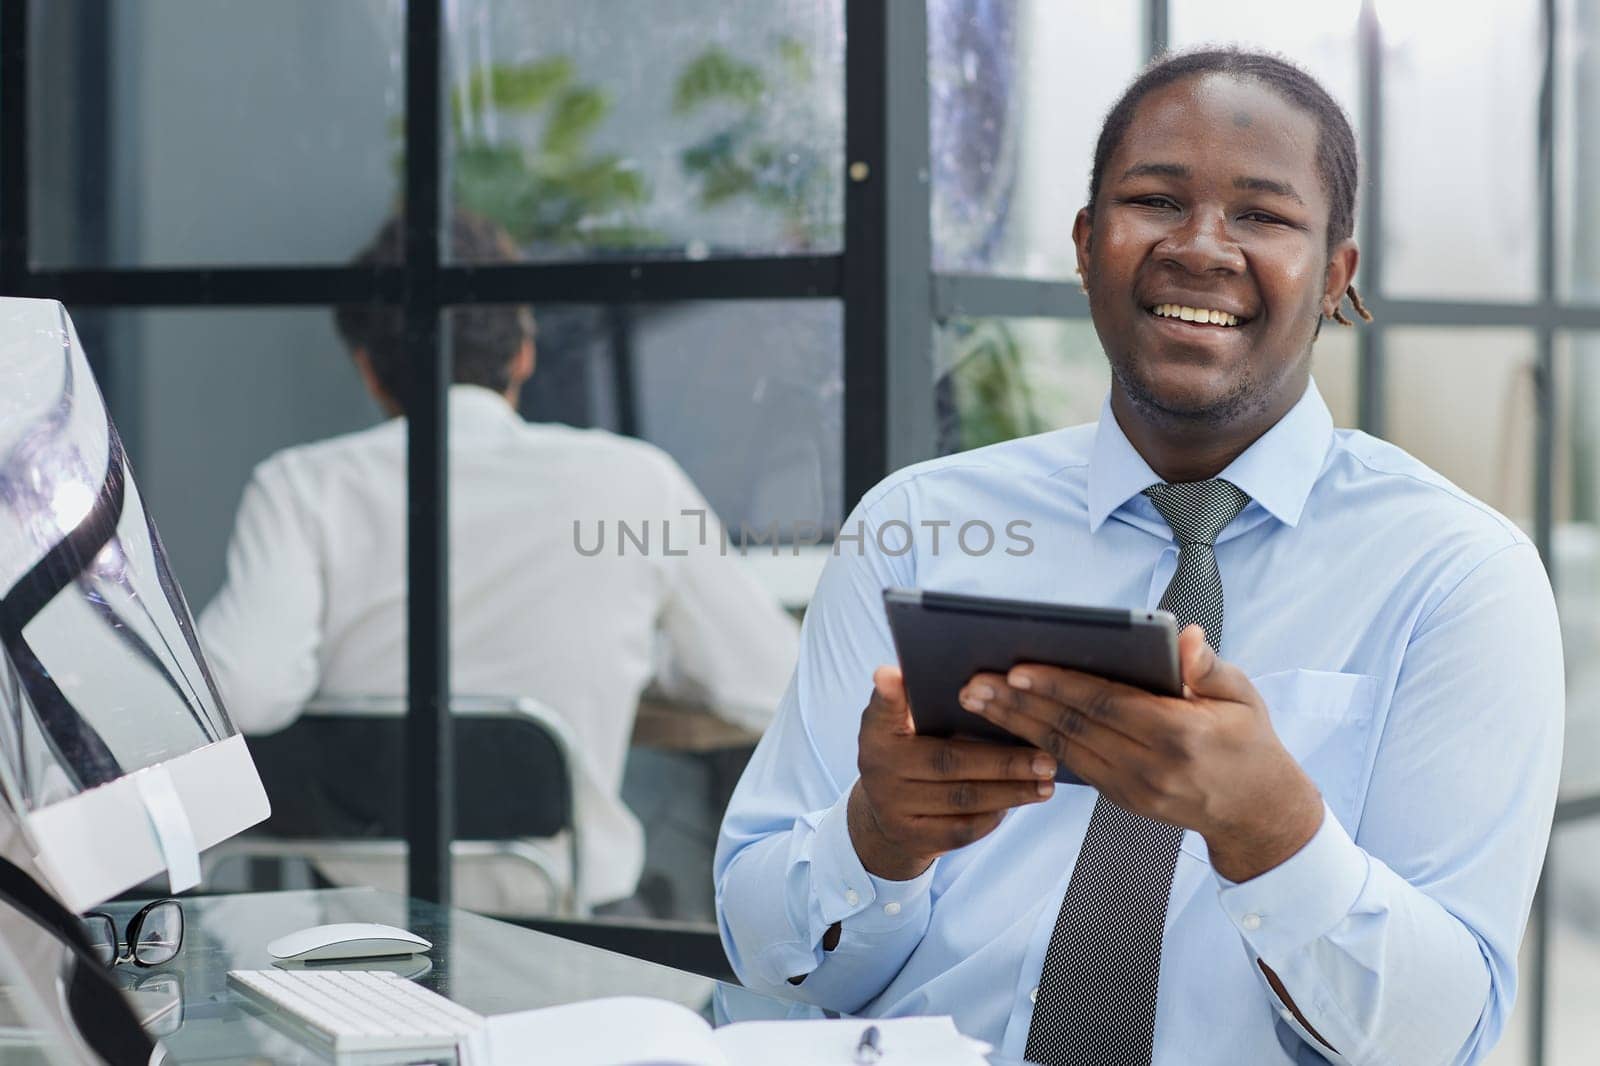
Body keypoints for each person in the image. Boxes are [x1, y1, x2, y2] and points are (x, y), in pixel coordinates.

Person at [715, 49, 1562, 1065]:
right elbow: (759, 947)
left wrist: (1276, 836)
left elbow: (1440, 1036)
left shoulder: (1458, 576)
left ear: (1336, 275)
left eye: (1261, 215)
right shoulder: (920, 524)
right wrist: (875, 840)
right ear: (1085, 245)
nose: (1200, 248)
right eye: (1155, 199)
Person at [200, 212, 799, 916]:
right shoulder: (634, 482)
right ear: (524, 353)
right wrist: (648, 650)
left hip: (361, 936)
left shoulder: (302, 486)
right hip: (573, 928)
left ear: (368, 368)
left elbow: (242, 689)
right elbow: (770, 682)